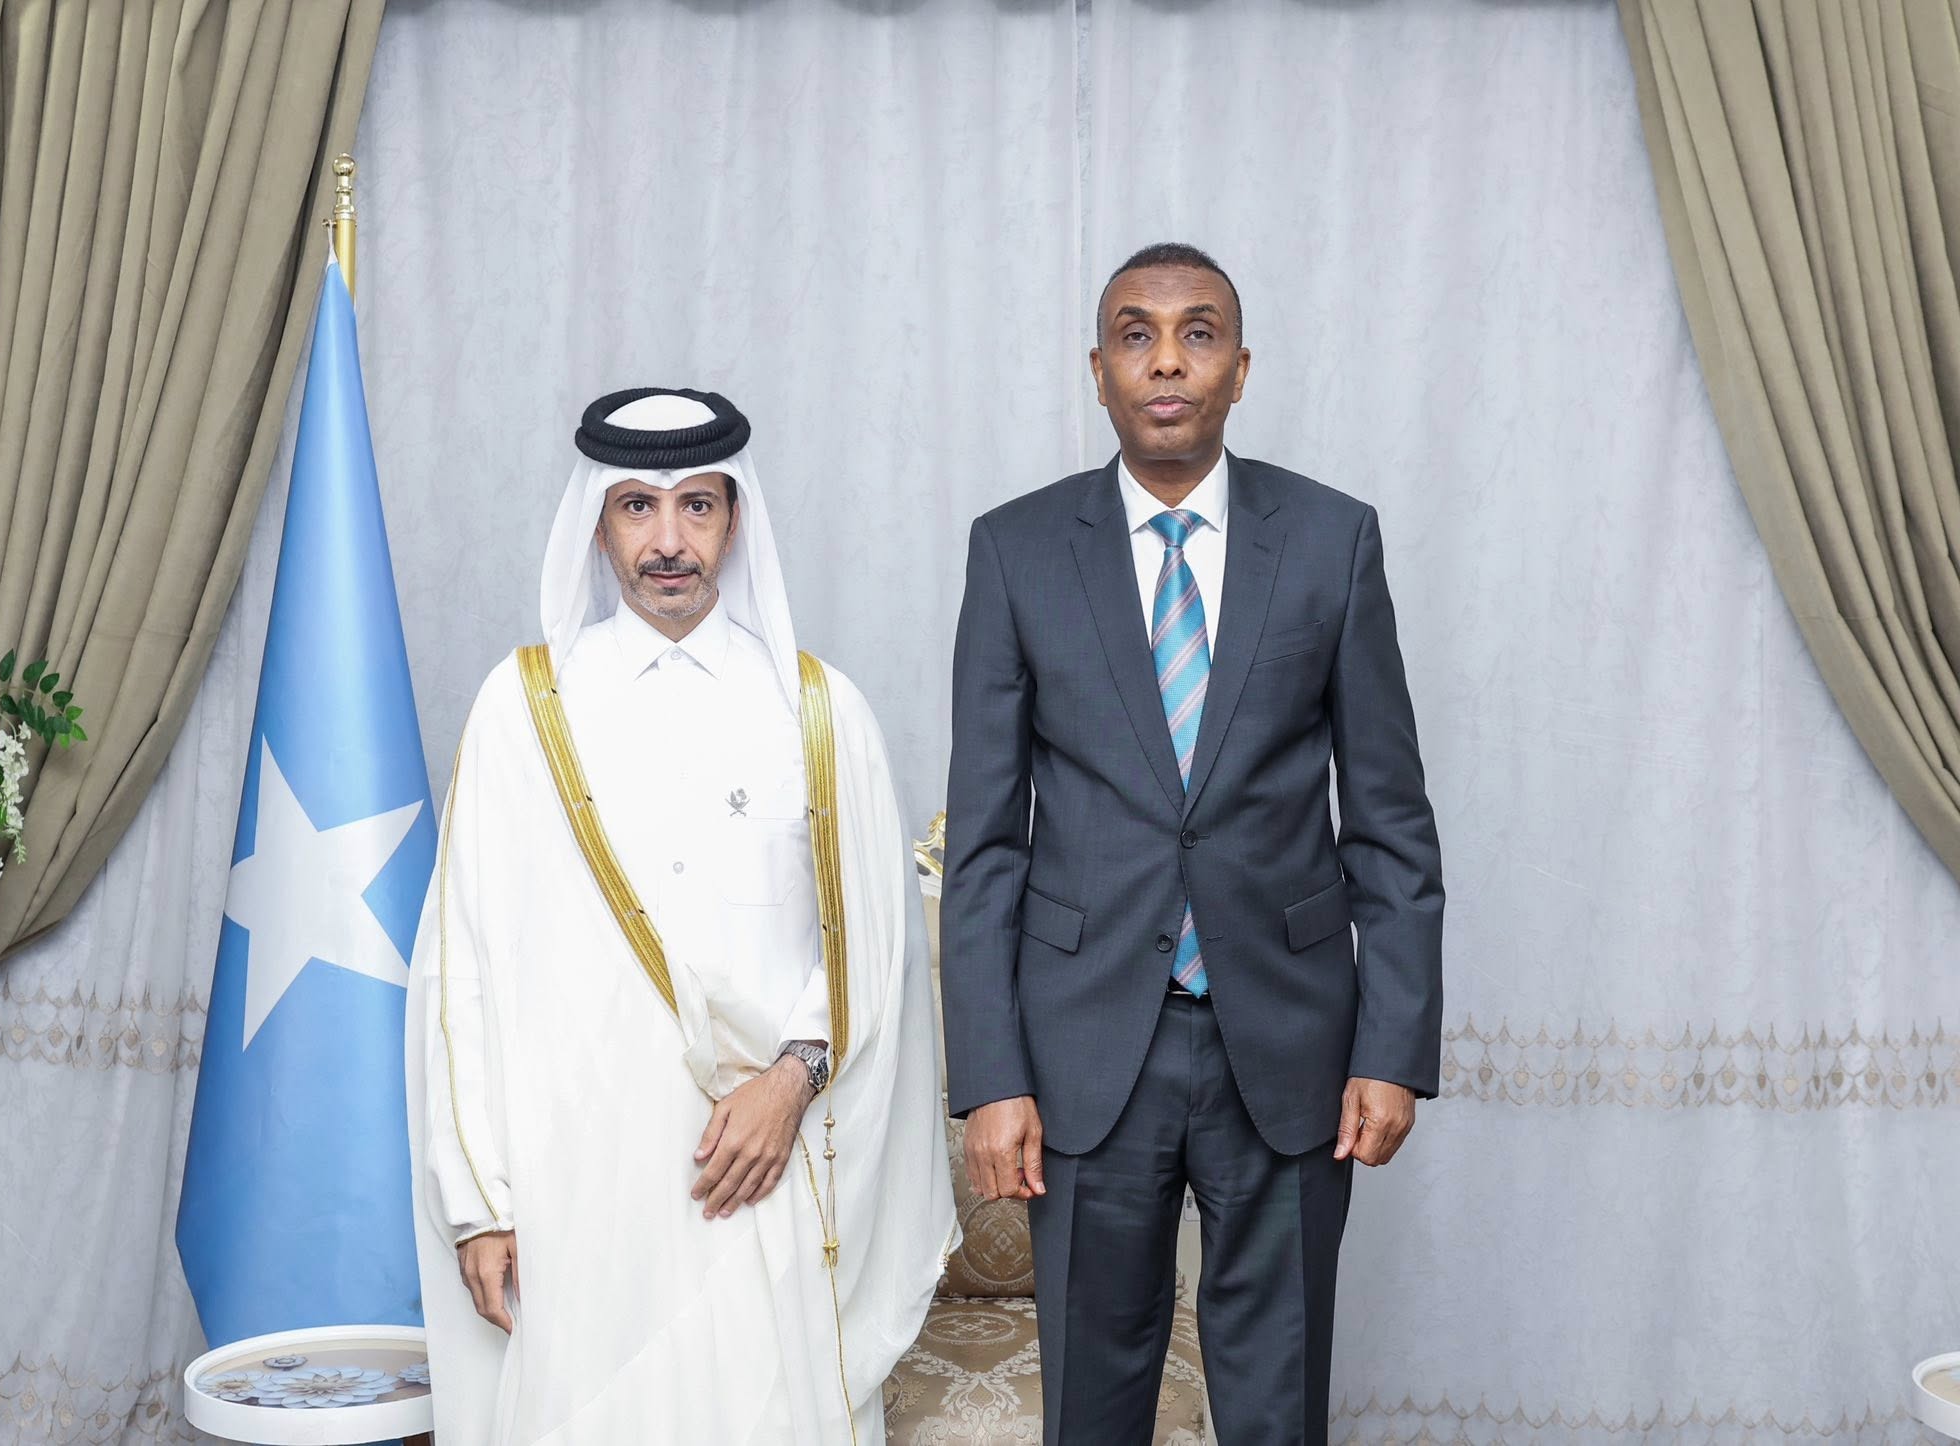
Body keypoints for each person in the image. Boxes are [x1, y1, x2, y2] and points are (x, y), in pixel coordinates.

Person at [941, 244, 1445, 1445]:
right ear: (1098, 371)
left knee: (1275, 1403)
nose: (1165, 359)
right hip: (1082, 1050)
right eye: (1135, 334)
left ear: (1239, 369)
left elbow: (1388, 824)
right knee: (1092, 1403)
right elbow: (986, 843)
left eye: (1196, 333)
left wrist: (1391, 1047)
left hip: (1287, 1045)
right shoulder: (1015, 549)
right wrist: (991, 1076)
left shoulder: (1329, 540)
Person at [406, 387, 955, 1445]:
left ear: (734, 520)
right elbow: (458, 971)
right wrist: (478, 1202)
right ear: (597, 525)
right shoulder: (523, 712)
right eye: (637, 508)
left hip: (757, 1180)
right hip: (574, 1202)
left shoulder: (818, 712)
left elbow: (874, 952)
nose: (668, 542)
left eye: (696, 506)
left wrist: (789, 1084)